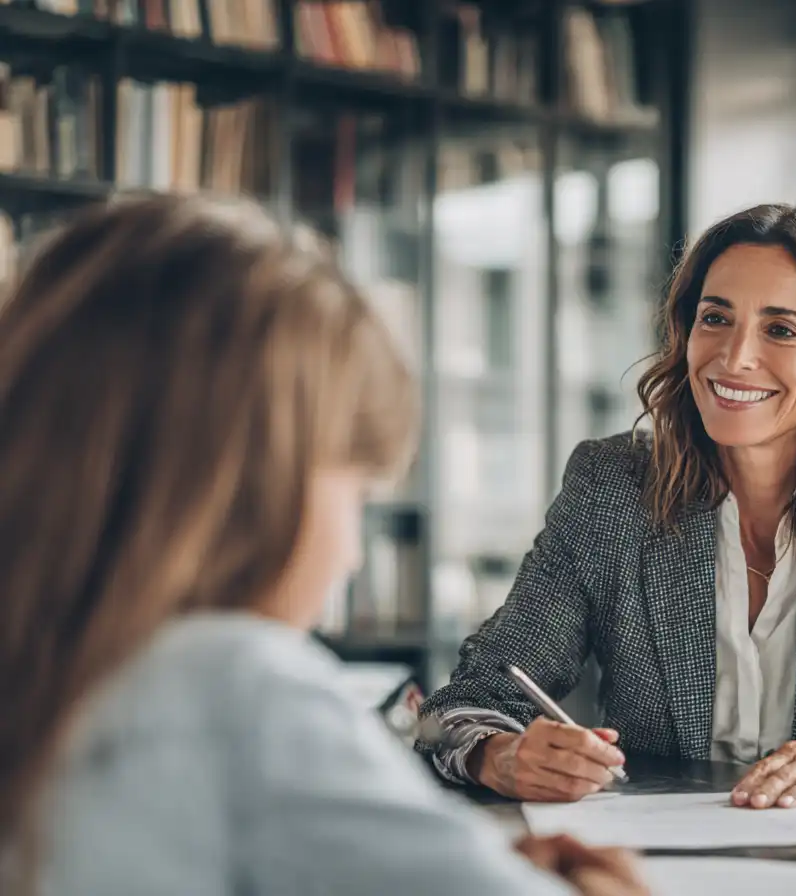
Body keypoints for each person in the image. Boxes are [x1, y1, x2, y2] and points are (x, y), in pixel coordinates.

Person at [0, 195, 647, 896]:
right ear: (252, 482)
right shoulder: (236, 684)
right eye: (357, 495)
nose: (353, 556)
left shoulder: (51, 667)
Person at [419, 202, 796, 809]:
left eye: (780, 330)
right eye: (715, 318)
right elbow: (463, 705)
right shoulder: (612, 486)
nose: (734, 356)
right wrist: (500, 755)